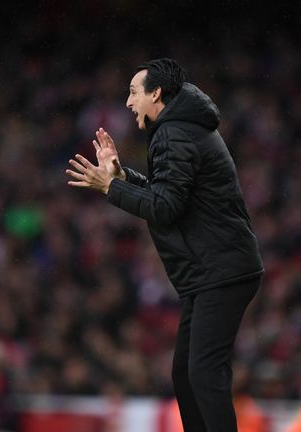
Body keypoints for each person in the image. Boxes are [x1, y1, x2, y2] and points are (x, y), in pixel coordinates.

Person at [66, 58, 264, 432]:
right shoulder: (182, 128)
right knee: (186, 374)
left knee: (204, 373)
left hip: (219, 271)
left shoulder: (175, 133)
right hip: (211, 271)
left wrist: (109, 187)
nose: (127, 102)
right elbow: (169, 194)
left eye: (133, 92)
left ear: (156, 94)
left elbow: (165, 208)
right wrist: (121, 176)